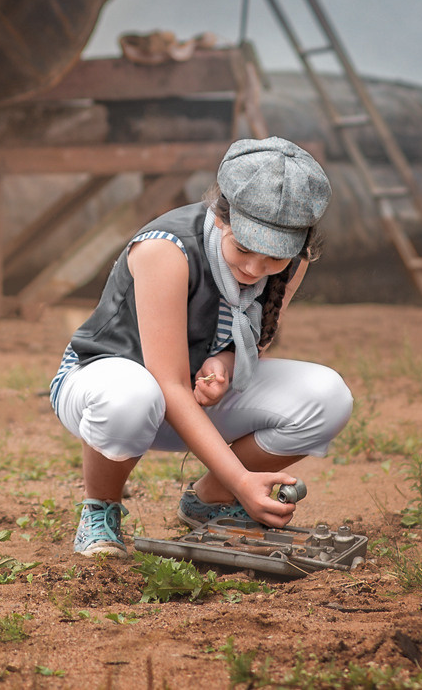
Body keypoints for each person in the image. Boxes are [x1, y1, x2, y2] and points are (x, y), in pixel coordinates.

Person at [47, 136, 353, 557]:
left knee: (328, 397)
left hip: (193, 395)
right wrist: (242, 480)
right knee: (132, 396)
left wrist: (226, 360)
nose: (254, 269)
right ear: (222, 216)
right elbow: (167, 383)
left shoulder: (294, 261)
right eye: (243, 248)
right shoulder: (166, 249)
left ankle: (209, 501)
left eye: (273, 259)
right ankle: (101, 509)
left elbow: (258, 336)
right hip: (109, 386)